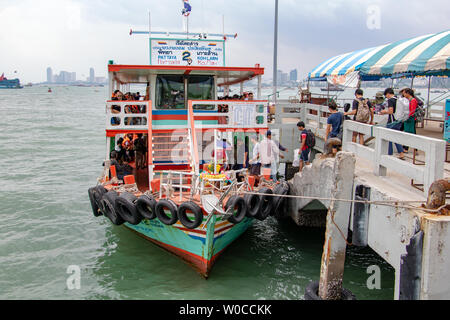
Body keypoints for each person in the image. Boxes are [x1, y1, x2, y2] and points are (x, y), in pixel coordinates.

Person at [379, 88, 406, 159]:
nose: (386, 97)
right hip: (398, 121)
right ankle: (401, 153)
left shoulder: (390, 100)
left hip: (392, 121)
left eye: (386, 95)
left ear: (388, 93)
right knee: (395, 136)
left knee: (389, 136)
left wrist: (383, 112)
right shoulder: (398, 99)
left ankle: (390, 152)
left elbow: (391, 111)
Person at [402, 88, 418, 153]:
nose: (403, 94)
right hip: (407, 118)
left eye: (404, 93)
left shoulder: (413, 100)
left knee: (410, 133)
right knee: (407, 133)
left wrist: (406, 116)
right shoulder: (409, 100)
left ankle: (412, 148)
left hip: (410, 119)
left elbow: (412, 111)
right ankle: (406, 147)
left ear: (408, 93)